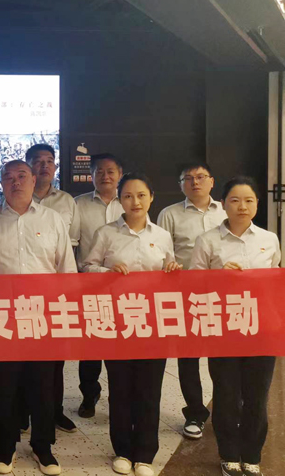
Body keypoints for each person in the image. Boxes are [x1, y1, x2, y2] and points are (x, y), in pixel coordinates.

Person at [0, 160, 75, 476]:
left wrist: (64, 315)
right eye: (8, 177)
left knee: (43, 384)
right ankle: (5, 445)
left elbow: (66, 271)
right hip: (2, 317)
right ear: (1, 183)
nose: (15, 182)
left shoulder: (53, 220)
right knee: (5, 384)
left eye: (21, 176)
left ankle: (43, 446)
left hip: (43, 316)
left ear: (33, 179)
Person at [82, 173, 181, 476]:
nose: (135, 201)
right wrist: (107, 271)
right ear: (120, 200)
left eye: (141, 195)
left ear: (151, 197)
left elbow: (170, 271)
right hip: (117, 322)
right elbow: (87, 268)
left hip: (153, 323)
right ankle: (123, 450)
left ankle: (145, 454)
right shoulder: (106, 233)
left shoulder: (162, 235)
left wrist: (173, 269)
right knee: (121, 387)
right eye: (127, 196)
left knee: (150, 389)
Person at [190, 176, 280, 476]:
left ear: (257, 204)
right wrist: (219, 275)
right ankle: (228, 453)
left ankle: (252, 455)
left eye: (249, 200)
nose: (242, 206)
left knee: (257, 396)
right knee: (226, 394)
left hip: (262, 330)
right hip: (223, 328)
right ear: (223, 204)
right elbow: (194, 284)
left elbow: (275, 279)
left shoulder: (269, 239)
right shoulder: (208, 241)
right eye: (235, 200)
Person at [157, 162, 226, 441]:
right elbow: (163, 253)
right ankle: (195, 413)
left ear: (212, 181)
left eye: (200, 177)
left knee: (222, 358)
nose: (195, 182)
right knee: (188, 357)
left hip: (223, 296)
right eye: (188, 178)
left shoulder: (226, 210)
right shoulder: (169, 214)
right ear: (180, 184)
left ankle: (225, 411)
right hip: (186, 294)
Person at [25, 144, 80, 435]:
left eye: (49, 161)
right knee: (22, 357)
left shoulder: (67, 201)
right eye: (38, 161)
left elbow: (74, 245)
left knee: (54, 360)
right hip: (22, 295)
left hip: (55, 292)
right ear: (28, 168)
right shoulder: (15, 198)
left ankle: (54, 411)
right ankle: (23, 412)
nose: (44, 166)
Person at [73, 153, 123, 419]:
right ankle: (89, 394)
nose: (105, 176)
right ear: (91, 175)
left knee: (119, 346)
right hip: (90, 285)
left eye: (110, 171)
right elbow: (72, 245)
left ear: (120, 174)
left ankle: (120, 396)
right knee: (90, 346)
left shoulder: (129, 201)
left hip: (123, 287)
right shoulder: (78, 204)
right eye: (99, 171)